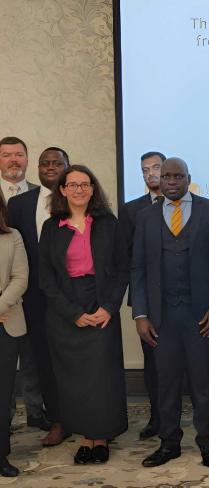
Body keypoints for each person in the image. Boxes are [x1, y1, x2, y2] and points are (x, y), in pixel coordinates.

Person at [130, 158, 209, 468]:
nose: (171, 181)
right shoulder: (145, 217)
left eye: (177, 176)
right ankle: (169, 443)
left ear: (188, 178)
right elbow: (138, 268)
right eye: (166, 175)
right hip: (161, 317)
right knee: (166, 384)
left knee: (203, 384)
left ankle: (208, 443)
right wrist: (140, 314)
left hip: (201, 316)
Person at [38, 165, 129, 464]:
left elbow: (122, 269)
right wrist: (73, 313)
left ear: (93, 189)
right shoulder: (51, 227)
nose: (79, 189)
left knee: (102, 376)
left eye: (85, 184)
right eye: (73, 185)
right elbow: (46, 278)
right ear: (62, 190)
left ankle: (100, 437)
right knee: (73, 379)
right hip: (65, 310)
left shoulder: (109, 223)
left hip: (101, 304)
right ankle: (84, 437)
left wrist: (109, 307)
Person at [7, 146, 70, 446]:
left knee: (79, 361)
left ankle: (87, 418)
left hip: (76, 298)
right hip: (35, 299)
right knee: (44, 363)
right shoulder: (19, 204)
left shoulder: (80, 197)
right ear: (37, 167)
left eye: (57, 163)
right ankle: (58, 419)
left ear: (68, 167)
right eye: (45, 163)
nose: (51, 167)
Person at [0, 137, 48, 433]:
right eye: (6, 155)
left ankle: (35, 411)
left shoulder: (41, 195)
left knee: (32, 356)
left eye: (19, 154)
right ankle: (3, 419)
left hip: (31, 290)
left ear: (27, 159)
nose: (13, 160)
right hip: (3, 292)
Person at [117, 150, 165, 440]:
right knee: (153, 364)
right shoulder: (131, 210)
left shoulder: (189, 205)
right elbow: (127, 259)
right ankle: (157, 417)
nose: (151, 174)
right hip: (148, 300)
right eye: (145, 170)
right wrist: (138, 309)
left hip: (183, 298)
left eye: (156, 167)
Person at [0, 194, 29, 477]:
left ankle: (1, 455)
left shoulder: (12, 236)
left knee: (2, 393)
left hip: (5, 321)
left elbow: (20, 278)